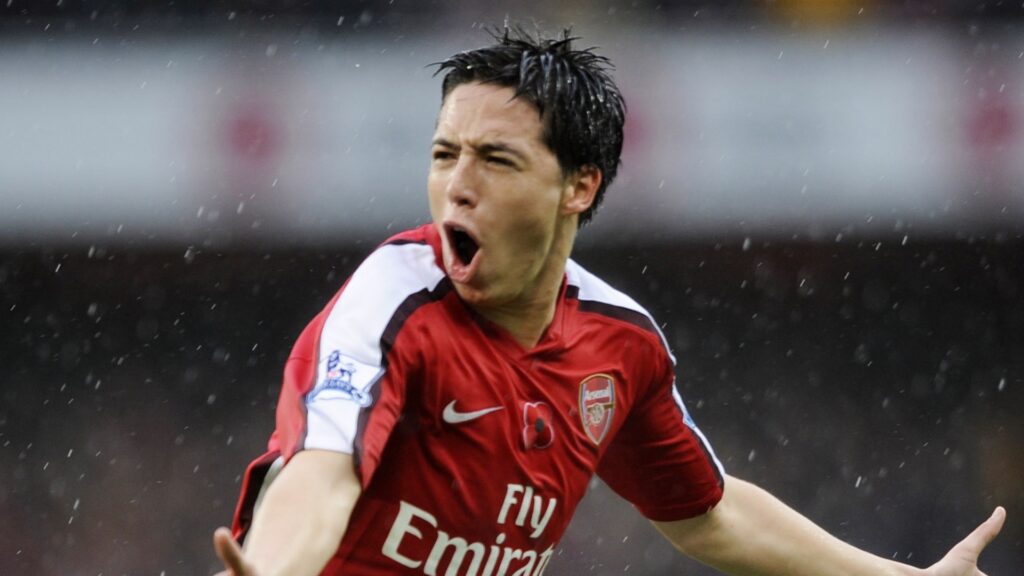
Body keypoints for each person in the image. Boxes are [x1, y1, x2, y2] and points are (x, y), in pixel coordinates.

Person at [212, 28, 1006, 576]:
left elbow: (708, 512)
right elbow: (323, 473)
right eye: (444, 154)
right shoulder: (391, 304)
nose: (458, 185)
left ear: (578, 185)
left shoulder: (619, 344)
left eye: (495, 159)